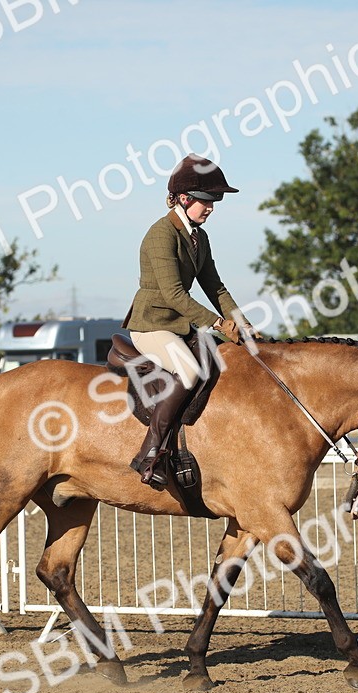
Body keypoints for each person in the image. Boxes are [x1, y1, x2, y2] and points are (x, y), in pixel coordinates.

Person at [123, 154, 252, 488]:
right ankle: (150, 453)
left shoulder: (200, 237)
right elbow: (174, 294)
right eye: (207, 201)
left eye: (214, 202)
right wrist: (219, 325)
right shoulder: (160, 234)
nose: (211, 208)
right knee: (190, 370)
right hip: (151, 325)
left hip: (180, 325)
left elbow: (215, 286)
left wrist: (243, 323)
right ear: (184, 198)